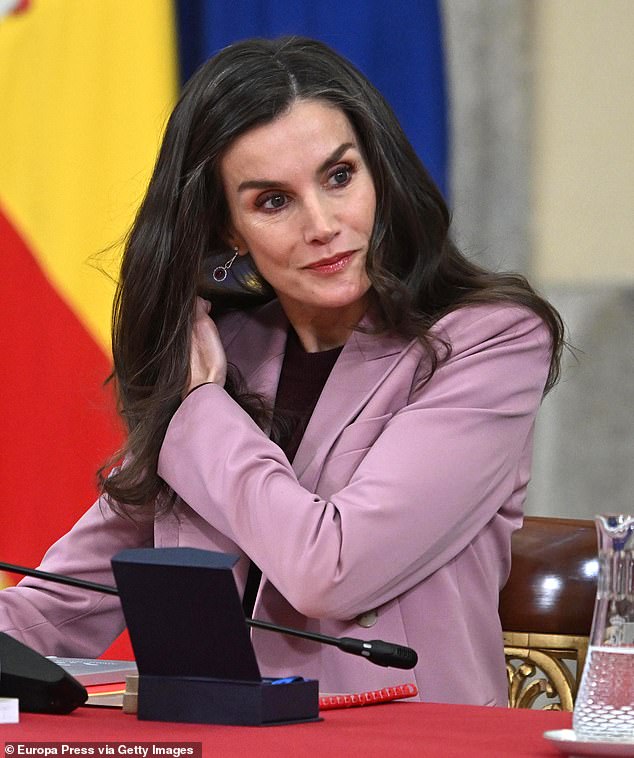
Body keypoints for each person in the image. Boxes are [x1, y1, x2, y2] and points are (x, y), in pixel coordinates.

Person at [0, 36, 564, 706]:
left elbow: (330, 571)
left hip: (402, 744)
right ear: (229, 228)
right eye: (273, 201)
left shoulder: (488, 341)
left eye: (338, 177)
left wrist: (203, 409)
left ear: (378, 172)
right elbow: (61, 606)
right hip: (218, 742)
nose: (323, 224)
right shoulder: (224, 350)